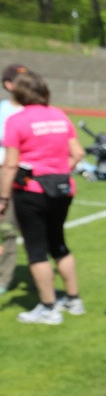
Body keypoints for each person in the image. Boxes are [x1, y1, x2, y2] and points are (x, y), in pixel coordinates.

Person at [0, 70, 85, 324]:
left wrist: (3, 198)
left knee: (36, 249)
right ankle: (73, 299)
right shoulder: (59, 115)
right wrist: (60, 171)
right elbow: (78, 153)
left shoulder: (17, 120)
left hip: (32, 191)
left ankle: (48, 307)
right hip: (62, 189)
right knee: (58, 243)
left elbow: (11, 164)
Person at [0, 64, 27, 296]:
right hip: (2, 169)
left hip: (22, 175)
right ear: (9, 84)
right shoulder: (2, 110)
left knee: (8, 227)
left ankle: (3, 278)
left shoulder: (34, 110)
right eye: (21, 80)